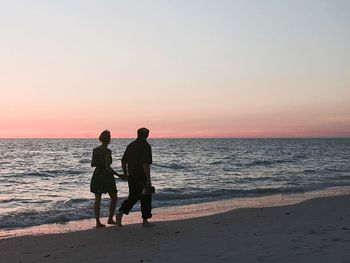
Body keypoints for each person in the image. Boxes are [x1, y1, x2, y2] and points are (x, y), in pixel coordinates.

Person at [116, 127, 154, 227]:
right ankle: (145, 221)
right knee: (145, 197)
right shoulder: (146, 146)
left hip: (132, 176)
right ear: (147, 135)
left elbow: (123, 161)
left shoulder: (131, 145)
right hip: (141, 176)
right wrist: (148, 179)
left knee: (133, 196)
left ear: (138, 134)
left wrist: (125, 173)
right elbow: (146, 164)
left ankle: (120, 213)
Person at [90, 130, 125, 228]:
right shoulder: (107, 151)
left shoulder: (95, 150)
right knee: (114, 197)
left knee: (98, 199)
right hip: (107, 176)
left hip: (97, 174)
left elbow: (92, 164)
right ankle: (110, 218)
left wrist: (99, 162)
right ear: (109, 139)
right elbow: (107, 167)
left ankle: (97, 222)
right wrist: (119, 175)